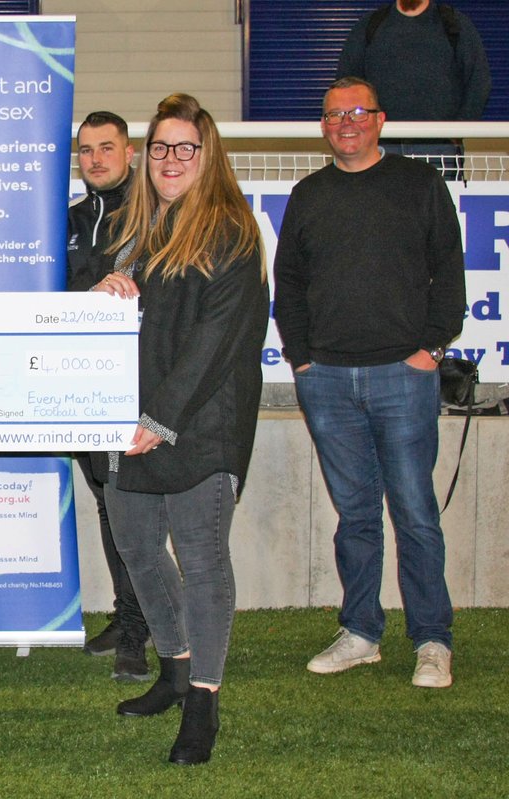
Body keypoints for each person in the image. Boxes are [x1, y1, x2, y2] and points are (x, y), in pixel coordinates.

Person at [273, 77, 466, 690]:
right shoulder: (309, 194)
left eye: (357, 112)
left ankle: (432, 641)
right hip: (325, 379)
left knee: (414, 513)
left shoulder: (419, 184)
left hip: (402, 378)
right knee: (354, 515)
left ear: (379, 120)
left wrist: (431, 349)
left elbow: (449, 274)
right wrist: (302, 359)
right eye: (333, 115)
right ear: (324, 126)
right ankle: (361, 632)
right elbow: (291, 286)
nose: (345, 123)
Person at [93, 94, 268, 765]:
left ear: (207, 155)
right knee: (136, 545)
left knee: (201, 559)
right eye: (160, 147)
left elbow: (215, 341)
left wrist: (159, 419)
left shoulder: (230, 230)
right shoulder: (141, 230)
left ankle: (203, 700)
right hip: (136, 419)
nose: (170, 159)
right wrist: (108, 289)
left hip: (198, 424)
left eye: (184, 148)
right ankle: (173, 665)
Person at [65, 110, 149, 680]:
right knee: (104, 501)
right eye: (87, 150)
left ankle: (141, 633)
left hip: (135, 387)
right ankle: (127, 616)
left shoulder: (152, 214)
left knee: (131, 506)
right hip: (75, 386)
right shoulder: (67, 219)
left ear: (130, 153)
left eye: (107, 147)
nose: (96, 158)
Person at [336, 0, 490, 173]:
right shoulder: (370, 26)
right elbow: (346, 87)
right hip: (381, 148)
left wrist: (460, 127)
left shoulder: (454, 25)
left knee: (435, 201)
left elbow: (479, 81)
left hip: (438, 150)